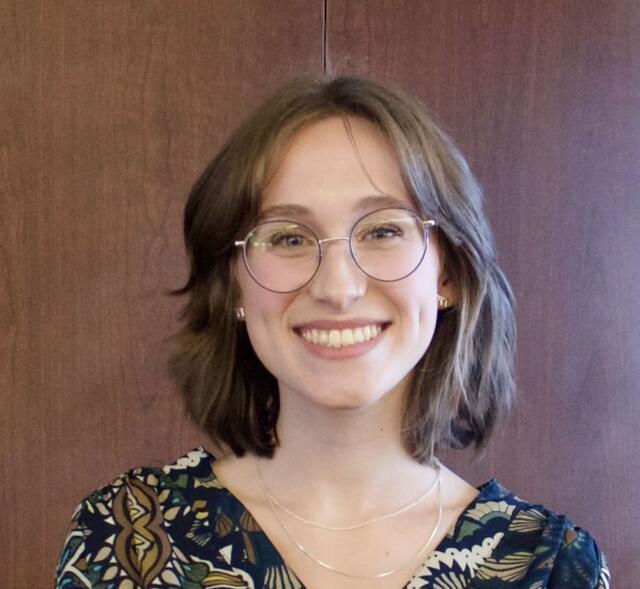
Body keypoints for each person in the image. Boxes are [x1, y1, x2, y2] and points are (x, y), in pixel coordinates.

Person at [55, 76, 610, 589]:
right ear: (235, 287)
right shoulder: (124, 538)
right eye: (289, 238)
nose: (337, 287)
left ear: (450, 276)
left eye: (384, 230)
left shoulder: (552, 567)